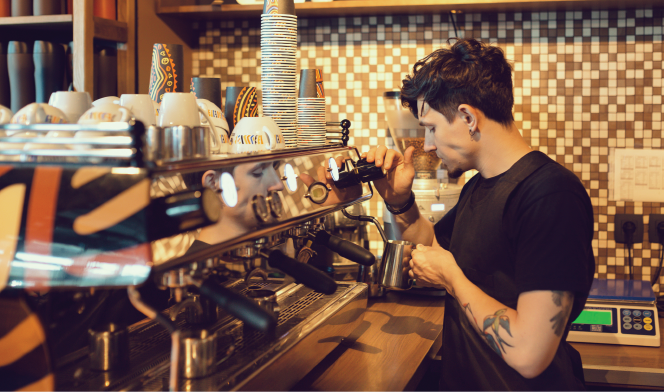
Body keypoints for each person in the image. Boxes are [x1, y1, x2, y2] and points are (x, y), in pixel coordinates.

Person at [362, 39, 595, 390]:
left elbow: (530, 355)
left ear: (468, 117)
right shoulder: (479, 186)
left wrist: (452, 279)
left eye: (431, 127)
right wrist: (399, 201)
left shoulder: (549, 195)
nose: (427, 144)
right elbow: (433, 247)